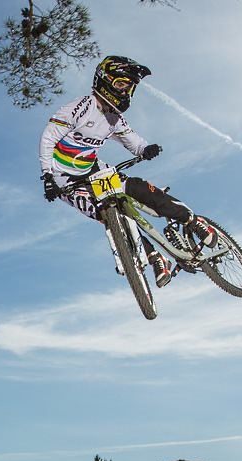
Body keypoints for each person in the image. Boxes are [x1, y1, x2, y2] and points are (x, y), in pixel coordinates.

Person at [39, 55, 217, 288]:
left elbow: (131, 140)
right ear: (105, 80)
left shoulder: (114, 118)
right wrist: (48, 176)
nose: (126, 91)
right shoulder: (79, 108)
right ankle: (155, 258)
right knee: (110, 219)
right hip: (63, 180)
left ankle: (193, 221)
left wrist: (145, 148)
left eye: (129, 87)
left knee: (137, 188)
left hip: (92, 170)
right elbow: (48, 137)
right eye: (121, 84)